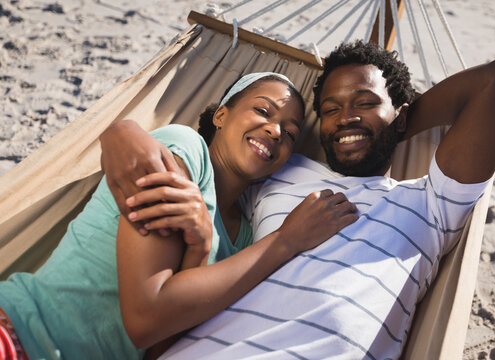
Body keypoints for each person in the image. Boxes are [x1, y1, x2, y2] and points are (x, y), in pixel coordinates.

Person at [100, 41, 495, 359]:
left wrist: (390, 126)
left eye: (365, 103)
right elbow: (220, 155)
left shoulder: (430, 204)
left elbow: (494, 83)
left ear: (404, 115)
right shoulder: (280, 169)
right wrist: (121, 131)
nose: (346, 117)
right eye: (330, 109)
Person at [0, 72, 358, 360]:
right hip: (21, 332)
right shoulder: (184, 148)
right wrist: (286, 240)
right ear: (221, 115)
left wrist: (200, 247)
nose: (275, 130)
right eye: (263, 111)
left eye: (290, 133)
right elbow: (145, 318)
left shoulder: (245, 239)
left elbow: (161, 348)